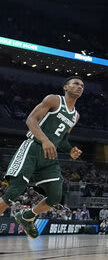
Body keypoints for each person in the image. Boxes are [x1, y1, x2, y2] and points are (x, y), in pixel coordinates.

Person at [0, 76, 84, 238]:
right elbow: (31, 120)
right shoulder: (53, 100)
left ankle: (26, 217)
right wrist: (44, 140)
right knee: (13, 193)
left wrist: (70, 149)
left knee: (55, 196)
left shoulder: (76, 116)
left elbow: (62, 139)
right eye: (75, 83)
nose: (79, 86)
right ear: (66, 87)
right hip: (33, 148)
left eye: (82, 85)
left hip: (50, 156)